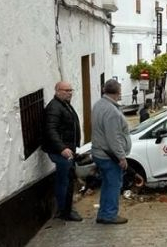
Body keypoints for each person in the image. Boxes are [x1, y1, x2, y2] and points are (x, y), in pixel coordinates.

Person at [91, 79, 132, 224]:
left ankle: (103, 213)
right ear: (118, 93)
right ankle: (109, 215)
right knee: (114, 185)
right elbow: (113, 137)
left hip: (99, 152)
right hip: (109, 156)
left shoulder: (98, 104)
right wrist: (121, 157)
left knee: (107, 185)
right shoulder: (111, 111)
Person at [42, 81, 82, 221]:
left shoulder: (64, 104)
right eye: (66, 90)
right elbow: (51, 130)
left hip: (67, 149)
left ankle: (66, 209)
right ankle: (66, 212)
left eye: (71, 90)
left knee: (65, 179)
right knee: (65, 180)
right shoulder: (54, 107)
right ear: (57, 91)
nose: (70, 93)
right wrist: (62, 148)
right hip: (60, 151)